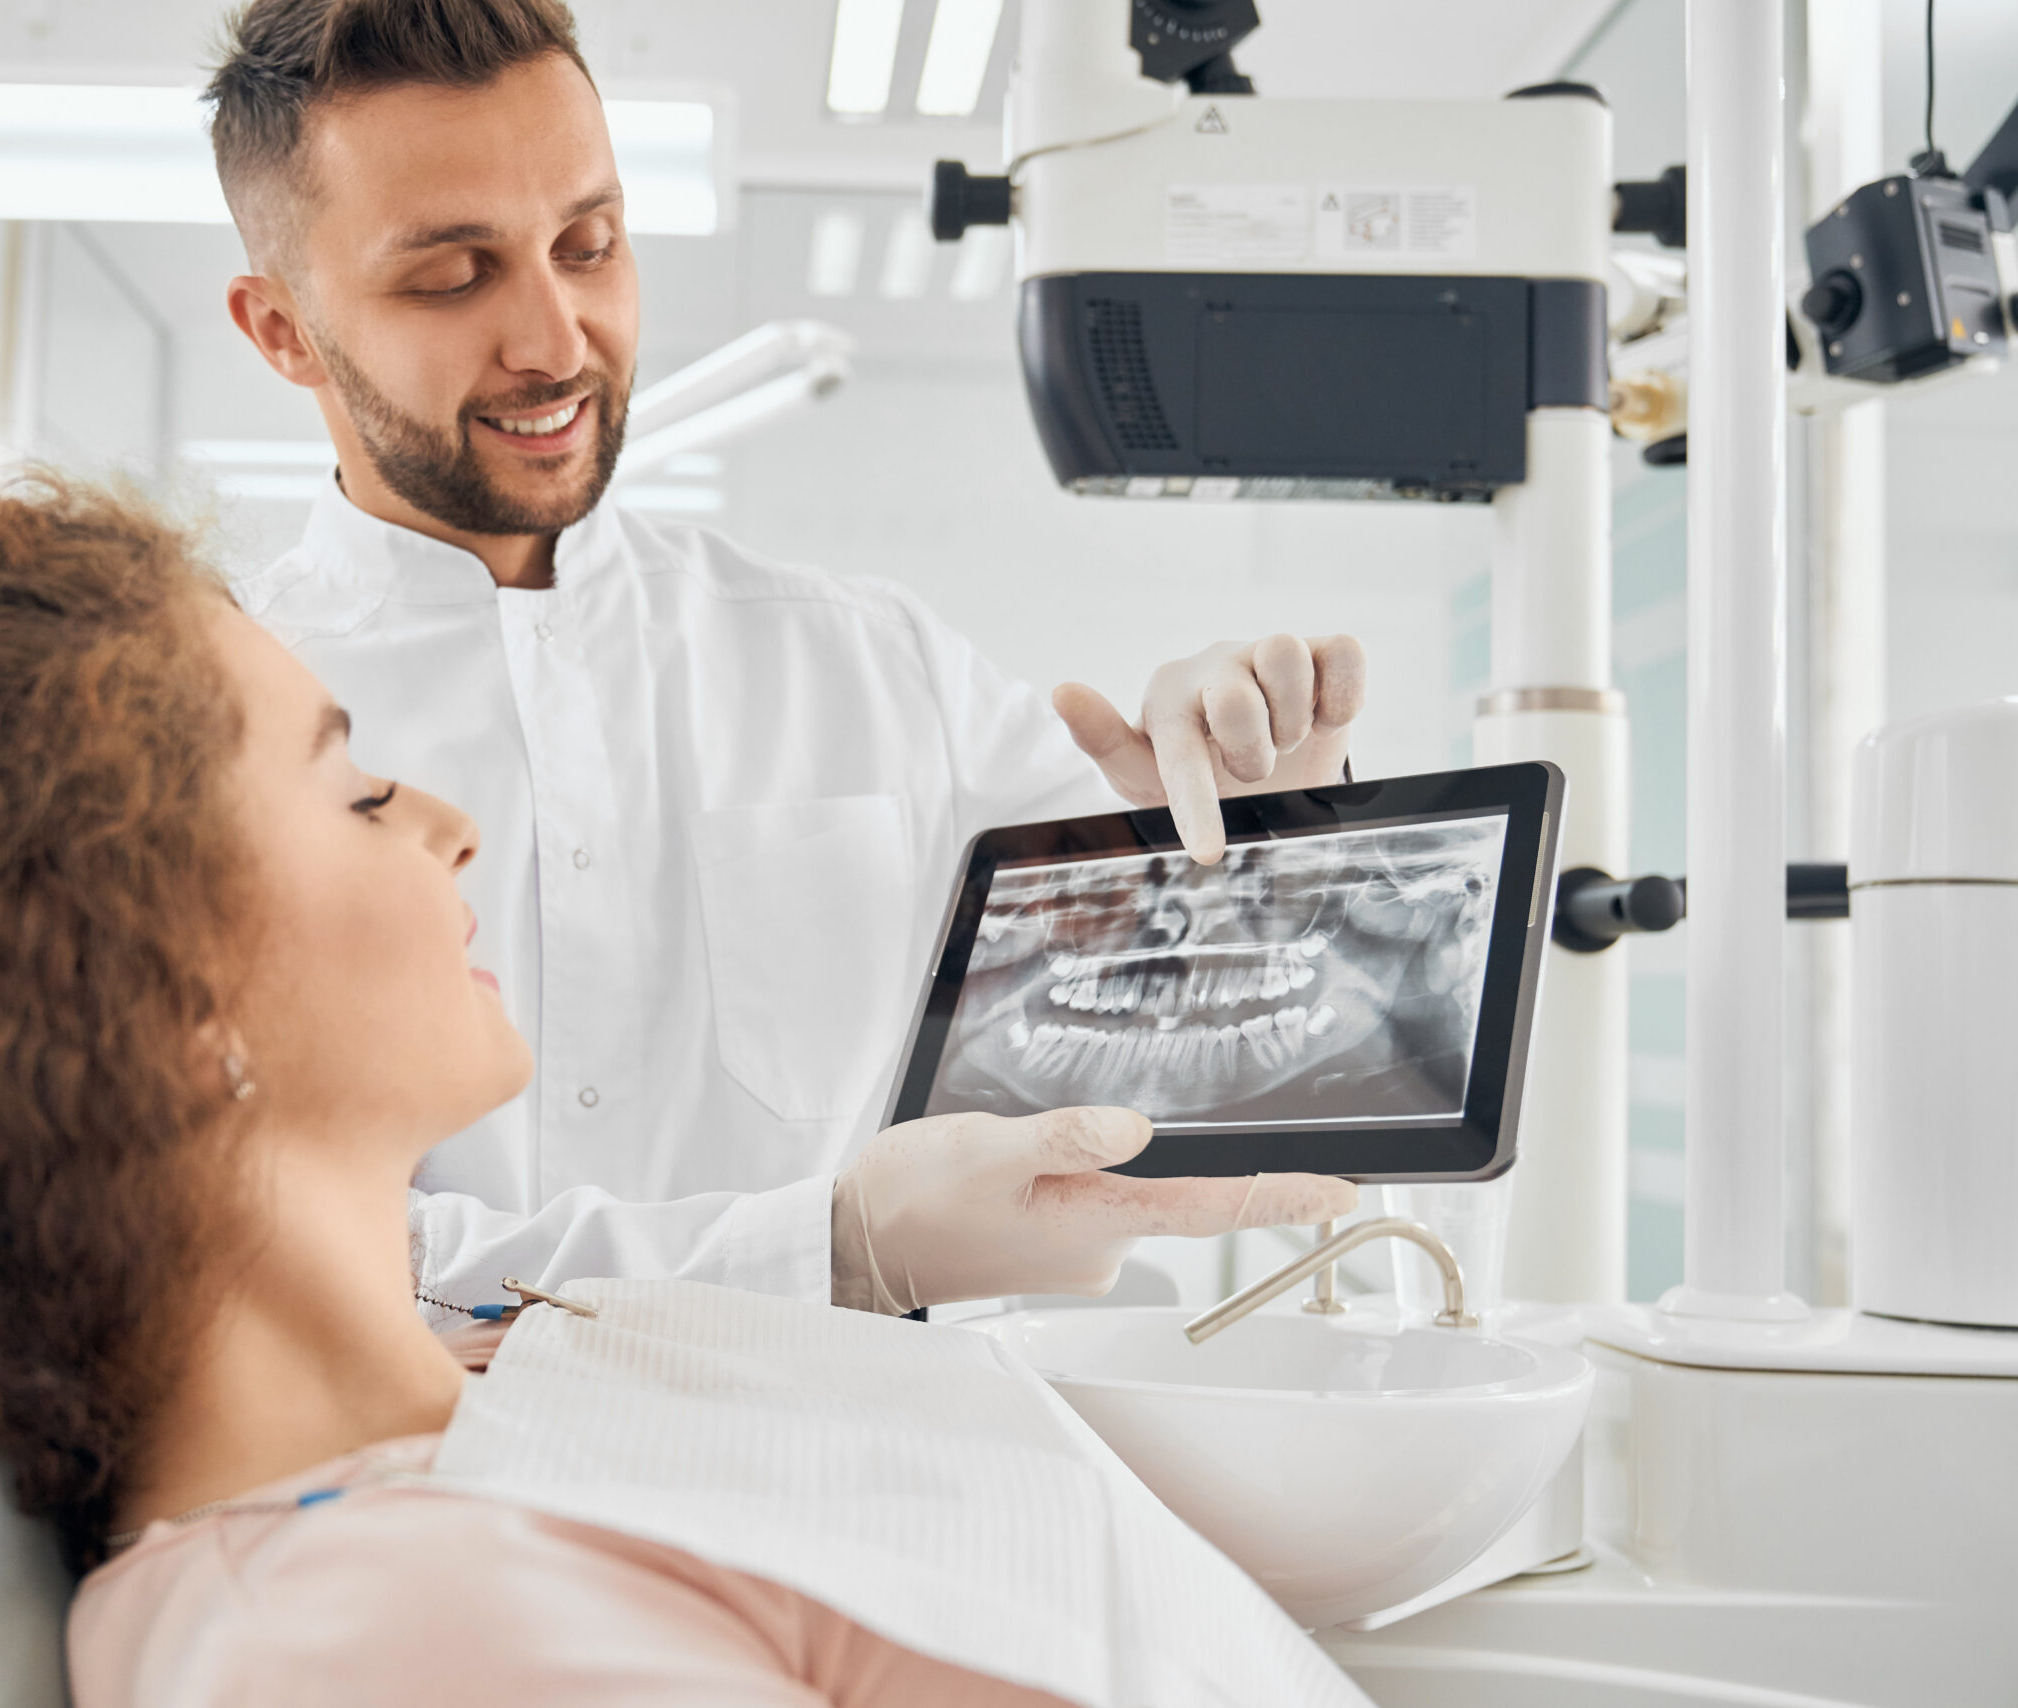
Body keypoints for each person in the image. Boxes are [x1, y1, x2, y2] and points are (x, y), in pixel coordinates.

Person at [0, 482, 1360, 1703]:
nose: (451, 824)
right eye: (355, 794)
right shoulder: (383, 1636)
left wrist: (1238, 877)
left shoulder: (517, 1371)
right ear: (166, 1010)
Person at [207, 0, 1374, 1318]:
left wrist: (1264, 838)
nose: (556, 341)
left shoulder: (872, 664)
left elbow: (1208, 1051)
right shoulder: (202, 730)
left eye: (589, 246)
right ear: (282, 329)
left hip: (856, 1448)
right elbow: (240, 1239)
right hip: (415, 1457)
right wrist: (825, 1250)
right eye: (451, 277)